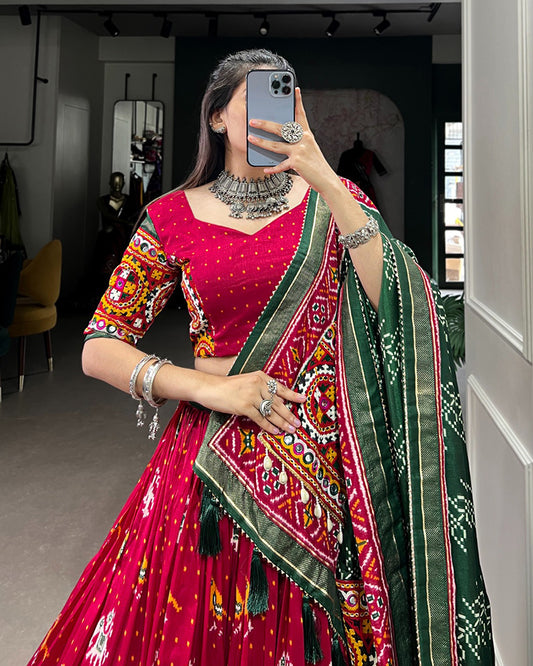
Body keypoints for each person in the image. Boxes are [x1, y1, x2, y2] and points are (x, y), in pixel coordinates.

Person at [27, 49, 493, 666]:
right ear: (217, 117)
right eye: (256, 100)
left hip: (327, 465)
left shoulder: (333, 200)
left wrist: (326, 179)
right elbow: (98, 347)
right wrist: (209, 386)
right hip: (212, 459)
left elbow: (397, 300)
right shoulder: (171, 217)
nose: (274, 116)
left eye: (286, 100)